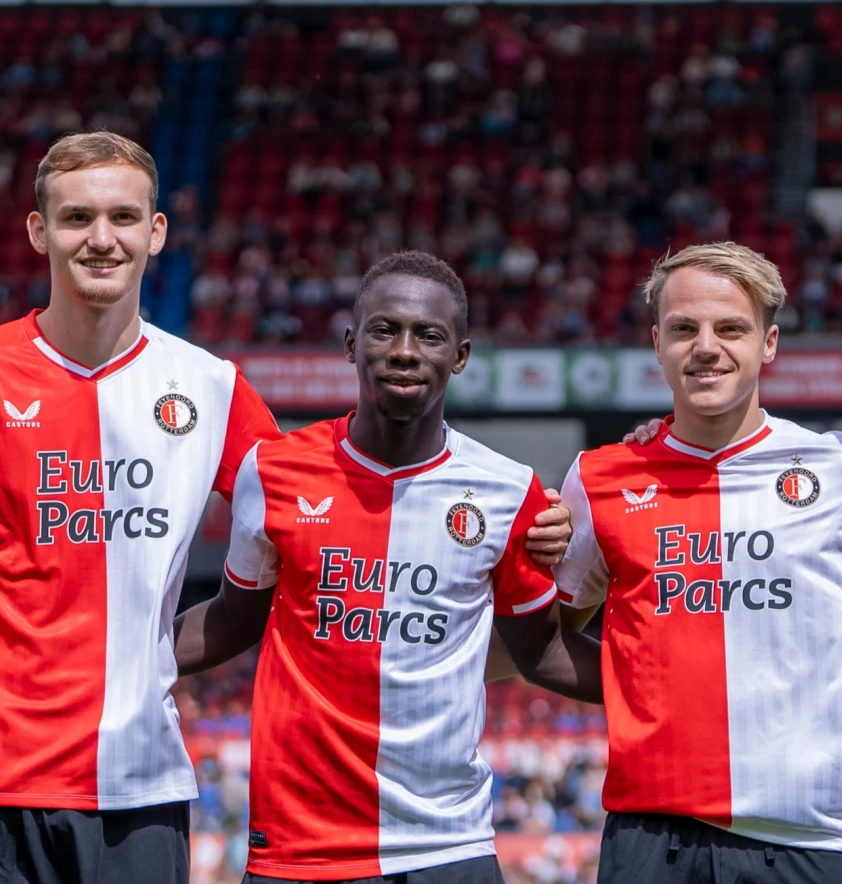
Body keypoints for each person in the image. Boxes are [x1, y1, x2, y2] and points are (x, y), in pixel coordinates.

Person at [0, 134, 572, 884]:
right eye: (76, 219)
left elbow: (323, 506)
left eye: (124, 218)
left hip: (139, 785)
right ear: (40, 231)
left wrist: (518, 519)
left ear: (155, 232)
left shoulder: (211, 389)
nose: (102, 239)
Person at [172, 250, 603, 884]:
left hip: (447, 848)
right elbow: (235, 620)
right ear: (351, 343)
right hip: (297, 851)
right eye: (385, 329)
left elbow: (542, 654)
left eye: (429, 335)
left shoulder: (510, 494)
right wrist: (116, 656)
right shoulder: (274, 472)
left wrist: (673, 684)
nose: (405, 350)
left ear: (459, 355)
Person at [560, 242, 842, 884]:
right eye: (684, 329)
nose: (706, 346)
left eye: (730, 327)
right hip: (652, 840)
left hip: (810, 843)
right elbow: (540, 632)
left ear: (769, 343)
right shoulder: (599, 478)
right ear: (657, 344)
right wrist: (643, 684)